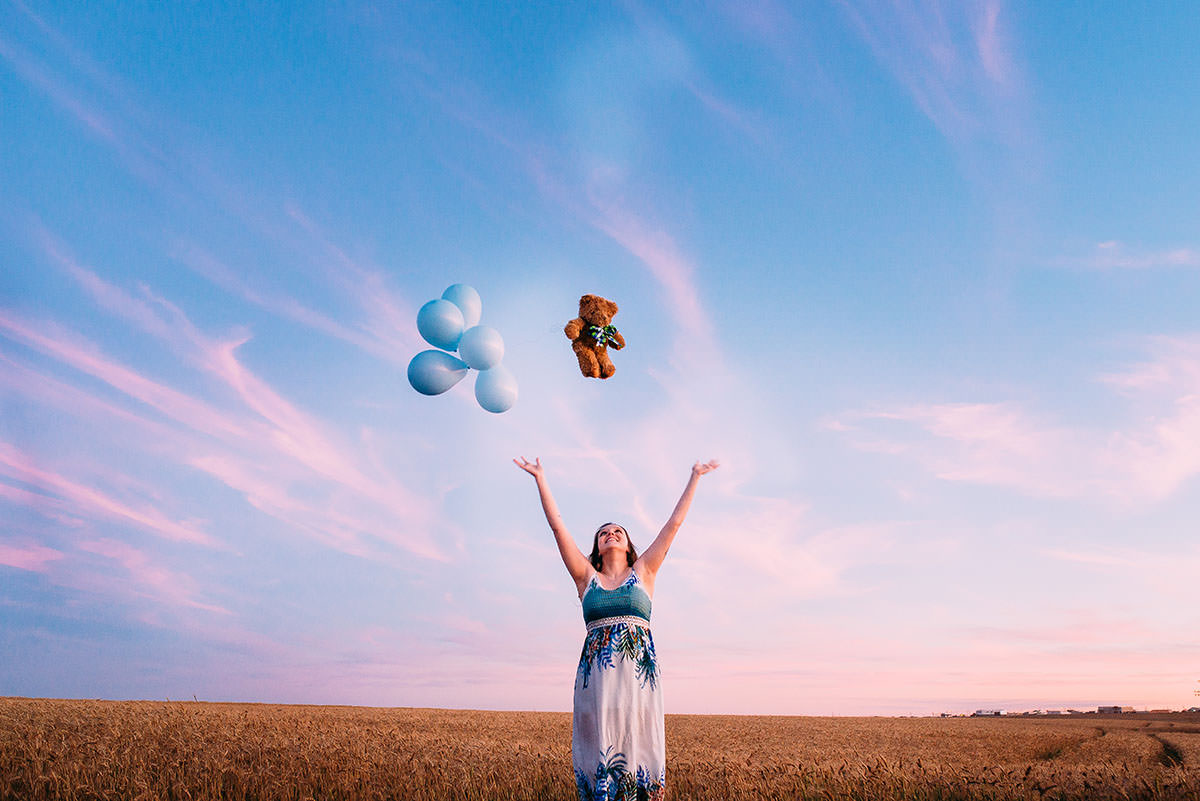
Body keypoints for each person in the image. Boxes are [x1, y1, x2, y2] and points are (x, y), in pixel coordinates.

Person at [513, 456, 720, 801]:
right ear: (597, 547)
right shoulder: (586, 578)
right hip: (596, 680)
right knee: (599, 754)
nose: (611, 534)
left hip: (638, 680)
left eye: (618, 532)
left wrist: (695, 476)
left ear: (627, 545)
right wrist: (541, 479)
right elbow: (557, 529)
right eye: (604, 533)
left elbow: (674, 525)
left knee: (639, 746)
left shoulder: (645, 573)